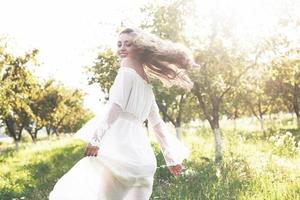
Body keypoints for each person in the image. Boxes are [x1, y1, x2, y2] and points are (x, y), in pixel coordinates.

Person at [49, 28, 199, 200]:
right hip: (143, 160)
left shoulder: (126, 67)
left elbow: (116, 106)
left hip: (120, 152)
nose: (122, 48)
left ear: (140, 47)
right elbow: (157, 125)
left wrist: (97, 137)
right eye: (119, 44)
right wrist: (170, 158)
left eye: (128, 44)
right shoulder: (147, 84)